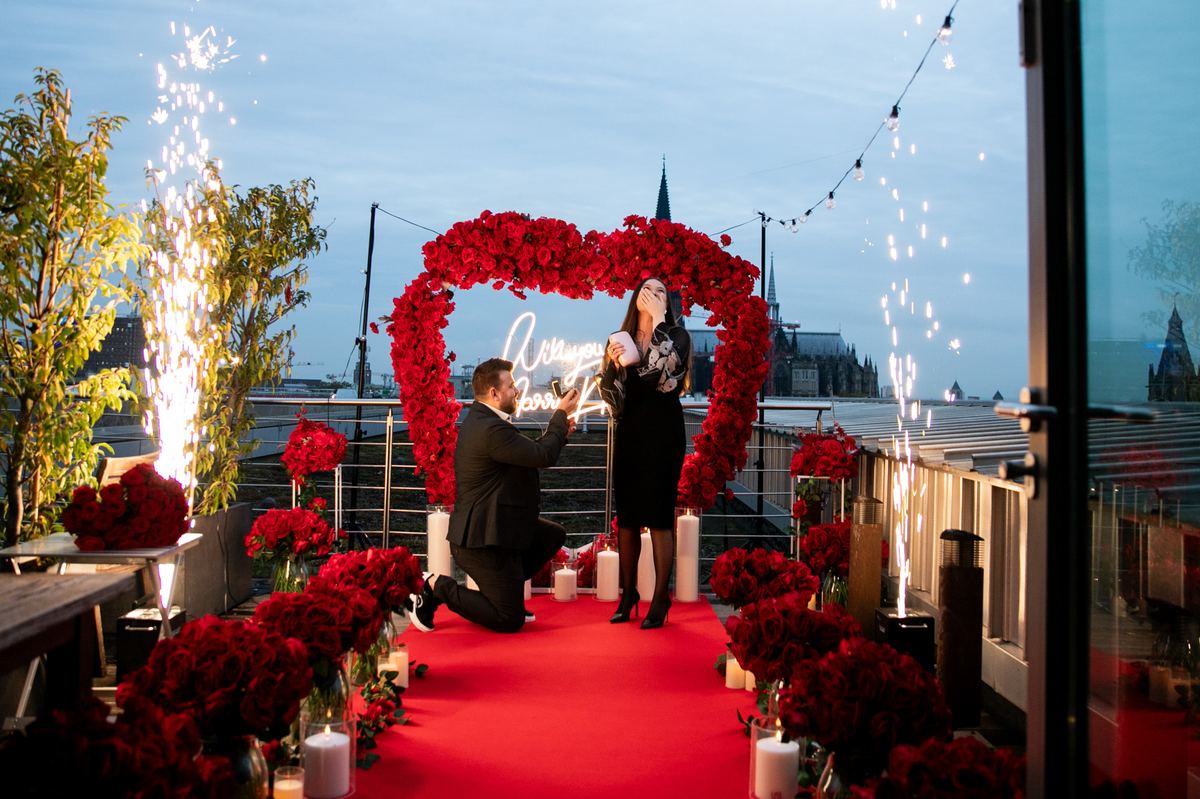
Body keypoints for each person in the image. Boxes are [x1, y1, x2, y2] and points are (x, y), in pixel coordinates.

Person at [407, 357, 579, 633]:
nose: (517, 390)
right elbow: (542, 455)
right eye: (511, 386)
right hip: (480, 540)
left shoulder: (486, 421)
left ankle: (506, 587)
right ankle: (435, 586)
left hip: (499, 528)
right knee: (509, 619)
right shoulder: (490, 428)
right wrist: (559, 415)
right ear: (494, 393)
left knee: (551, 535)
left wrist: (560, 434)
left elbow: (529, 453)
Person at [598, 277, 691, 629]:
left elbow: (658, 376)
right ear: (635, 297)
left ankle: (661, 597)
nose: (653, 294)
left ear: (668, 301)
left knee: (659, 515)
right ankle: (628, 594)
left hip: (664, 432)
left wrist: (660, 322)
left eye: (661, 291)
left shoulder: (678, 336)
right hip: (631, 431)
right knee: (628, 517)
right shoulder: (619, 338)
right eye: (647, 289)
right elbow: (612, 399)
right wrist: (612, 367)